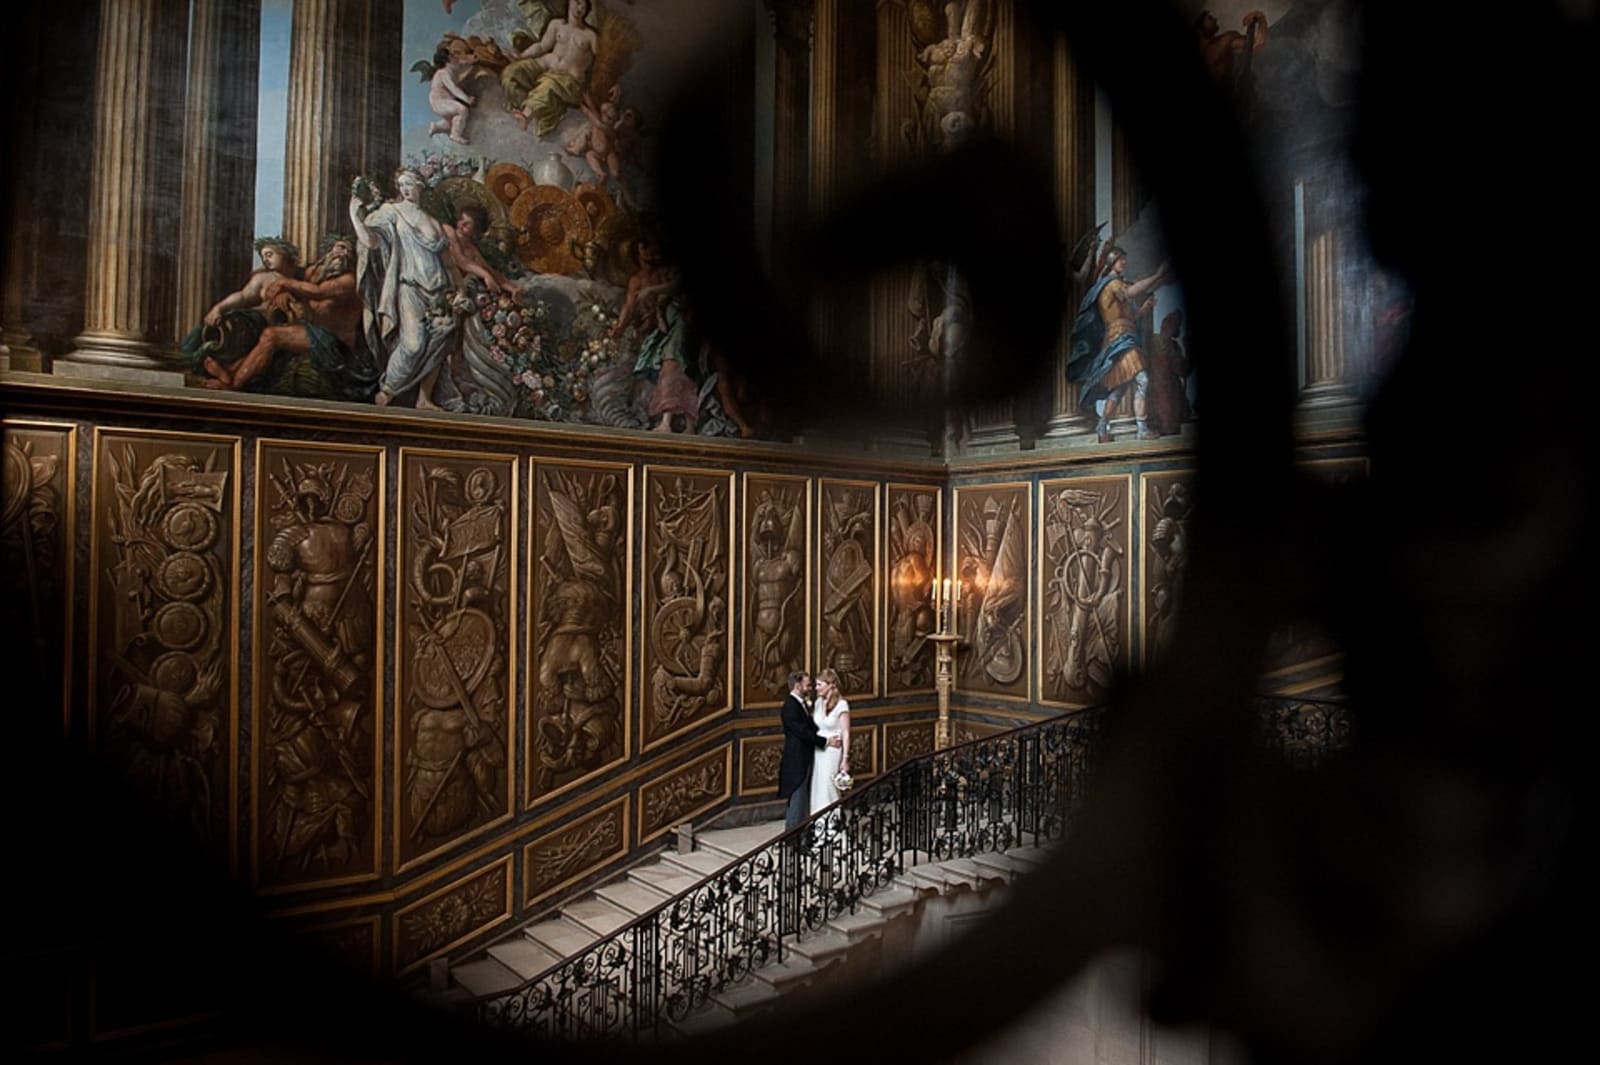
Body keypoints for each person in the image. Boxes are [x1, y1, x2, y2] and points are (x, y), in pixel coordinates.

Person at [196, 235, 378, 402]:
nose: (342, 253)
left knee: (272, 335)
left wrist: (284, 283)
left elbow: (317, 292)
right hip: (313, 333)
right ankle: (230, 373)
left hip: (335, 344)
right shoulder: (313, 272)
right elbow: (298, 287)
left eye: (347, 250)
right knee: (267, 339)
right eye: (339, 247)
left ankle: (234, 385)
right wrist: (283, 293)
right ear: (328, 251)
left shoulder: (350, 280)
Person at [351, 169, 460, 410]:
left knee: (439, 341)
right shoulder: (392, 212)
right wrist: (355, 217)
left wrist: (459, 289)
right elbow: (370, 242)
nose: (405, 189)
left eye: (409, 183)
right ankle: (388, 389)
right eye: (401, 185)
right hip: (409, 288)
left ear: (421, 185)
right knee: (413, 345)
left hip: (440, 291)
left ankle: (424, 398)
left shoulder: (433, 221)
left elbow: (449, 263)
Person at [1066, 244, 1172, 441]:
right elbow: (1130, 293)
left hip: (1124, 337)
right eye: (1120, 259)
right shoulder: (1112, 284)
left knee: (1120, 387)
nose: (1124, 262)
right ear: (1111, 262)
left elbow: (1130, 316)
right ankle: (1142, 429)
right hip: (1118, 339)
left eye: (1124, 258)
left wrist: (1144, 309)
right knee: (1142, 379)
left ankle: (1102, 428)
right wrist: (1157, 275)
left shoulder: (1116, 285)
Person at [500, 0, 598, 137]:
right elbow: (542, 46)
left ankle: (525, 115)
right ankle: (520, 105)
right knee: (512, 72)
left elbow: (602, 61)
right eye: (577, 2)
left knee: (548, 85)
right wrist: (521, 57)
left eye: (584, 6)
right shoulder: (556, 24)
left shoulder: (590, 36)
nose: (580, 8)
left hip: (568, 80)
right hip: (546, 65)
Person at [777, 670, 839, 834]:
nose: (810, 688)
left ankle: (801, 835)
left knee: (803, 799)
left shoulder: (800, 704)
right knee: (798, 800)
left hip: (804, 758)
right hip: (797, 761)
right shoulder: (790, 706)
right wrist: (825, 741)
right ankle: (793, 838)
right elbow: (802, 732)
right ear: (798, 686)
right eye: (808, 685)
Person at [808, 669, 851, 826]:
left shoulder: (842, 704)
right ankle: (818, 827)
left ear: (830, 685)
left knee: (829, 788)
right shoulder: (818, 703)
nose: (816, 688)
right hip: (819, 750)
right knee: (818, 788)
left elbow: (846, 733)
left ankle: (833, 827)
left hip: (833, 753)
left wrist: (845, 759)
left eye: (820, 684)